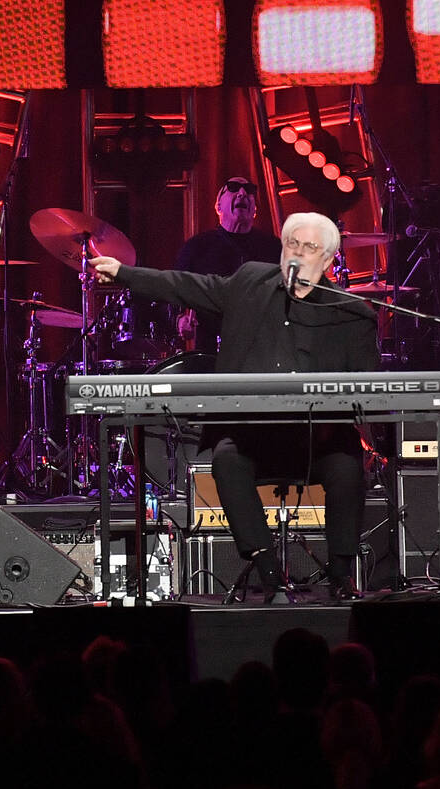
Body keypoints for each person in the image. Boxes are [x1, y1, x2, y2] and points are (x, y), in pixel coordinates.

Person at [91, 211, 377, 602]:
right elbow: (185, 285)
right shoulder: (249, 282)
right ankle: (269, 574)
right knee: (227, 459)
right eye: (291, 244)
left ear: (328, 259)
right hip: (253, 436)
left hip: (318, 440)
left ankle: (341, 576)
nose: (297, 254)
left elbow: (367, 391)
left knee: (347, 465)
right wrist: (125, 273)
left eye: (308, 248)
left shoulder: (351, 313)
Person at [173, 176, 281, 353]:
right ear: (218, 206)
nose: (242, 193)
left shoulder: (274, 248)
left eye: (249, 190)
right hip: (210, 357)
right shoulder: (197, 247)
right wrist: (180, 320)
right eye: (233, 187)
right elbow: (172, 295)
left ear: (255, 209)